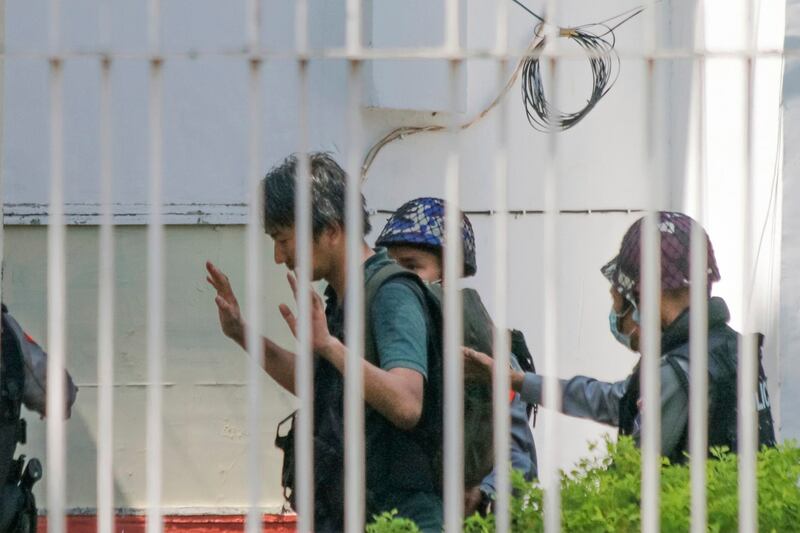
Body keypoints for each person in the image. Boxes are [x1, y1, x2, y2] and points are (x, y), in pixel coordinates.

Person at [206, 153, 444, 531]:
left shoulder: (391, 293)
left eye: (284, 239)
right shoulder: (340, 298)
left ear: (331, 229)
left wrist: (331, 347)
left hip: (401, 519)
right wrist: (240, 332)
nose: (278, 256)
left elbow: (407, 403)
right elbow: (317, 383)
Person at [463, 211, 776, 464]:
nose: (618, 315)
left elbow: (630, 481)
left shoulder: (679, 371)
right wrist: (518, 381)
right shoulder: (730, 349)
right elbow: (617, 400)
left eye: (619, 299)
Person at [375, 197, 538, 515]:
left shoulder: (490, 354)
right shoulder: (382, 340)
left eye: (411, 267)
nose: (399, 279)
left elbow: (519, 457)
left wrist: (484, 492)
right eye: (390, 267)